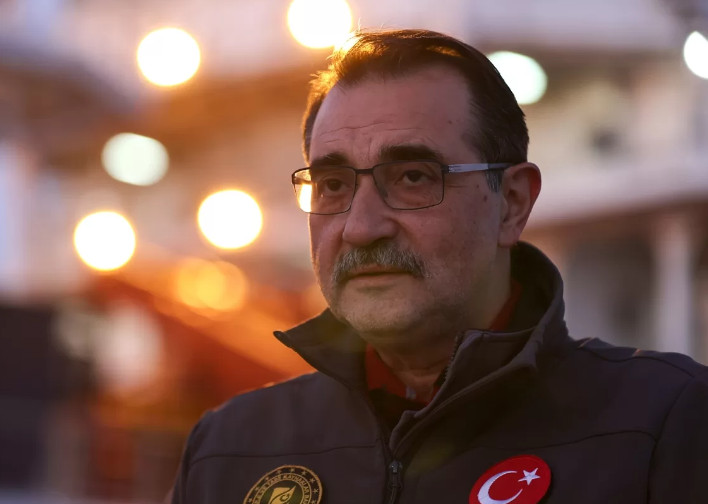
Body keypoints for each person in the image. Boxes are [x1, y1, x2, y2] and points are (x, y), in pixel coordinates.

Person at [170, 29, 708, 504]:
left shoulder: (666, 426)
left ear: (512, 203)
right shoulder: (227, 451)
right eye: (332, 185)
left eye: (412, 177)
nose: (360, 227)